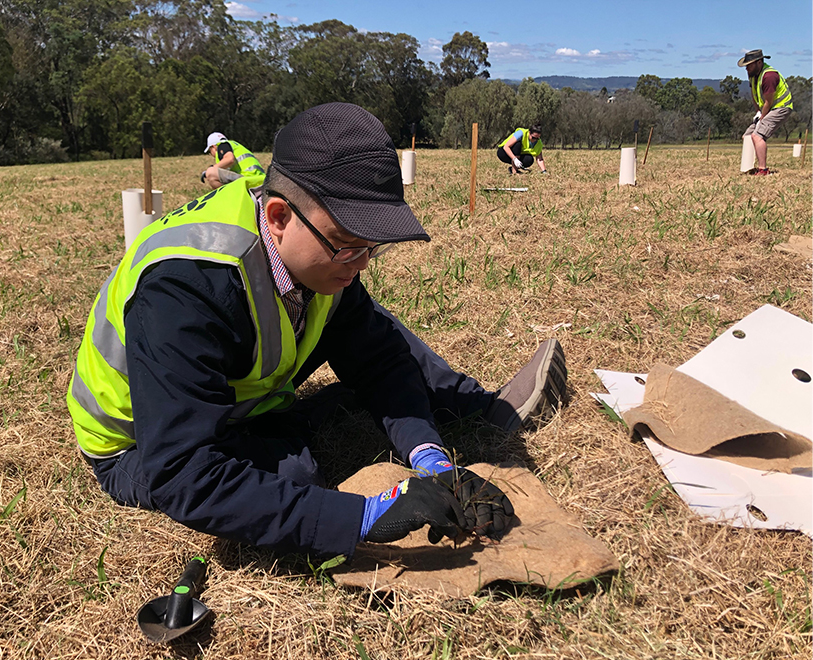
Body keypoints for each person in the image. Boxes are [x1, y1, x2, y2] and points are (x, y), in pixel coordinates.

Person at [68, 103, 567, 559]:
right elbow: (183, 473)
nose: (361, 263)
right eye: (347, 245)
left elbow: (379, 359)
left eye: (372, 247)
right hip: (138, 446)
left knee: (372, 330)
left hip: (240, 399)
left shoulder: (317, 252)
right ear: (279, 217)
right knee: (297, 476)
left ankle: (474, 406)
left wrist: (430, 457)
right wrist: (362, 518)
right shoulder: (185, 290)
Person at [738, 49, 793, 176]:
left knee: (757, 136)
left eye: (749, 65)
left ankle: (763, 170)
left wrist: (762, 117)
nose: (746, 68)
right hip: (766, 109)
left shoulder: (769, 76)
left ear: (759, 62)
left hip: (781, 107)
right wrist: (758, 112)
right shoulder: (753, 75)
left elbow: (769, 101)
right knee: (747, 136)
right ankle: (750, 168)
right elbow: (754, 95)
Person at [200, 131, 266, 188]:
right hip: (260, 179)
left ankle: (228, 197)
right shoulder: (235, 146)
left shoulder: (222, 145)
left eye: (210, 151)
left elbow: (230, 159)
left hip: (247, 178)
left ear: (213, 147)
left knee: (211, 173)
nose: (211, 155)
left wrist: (212, 168)